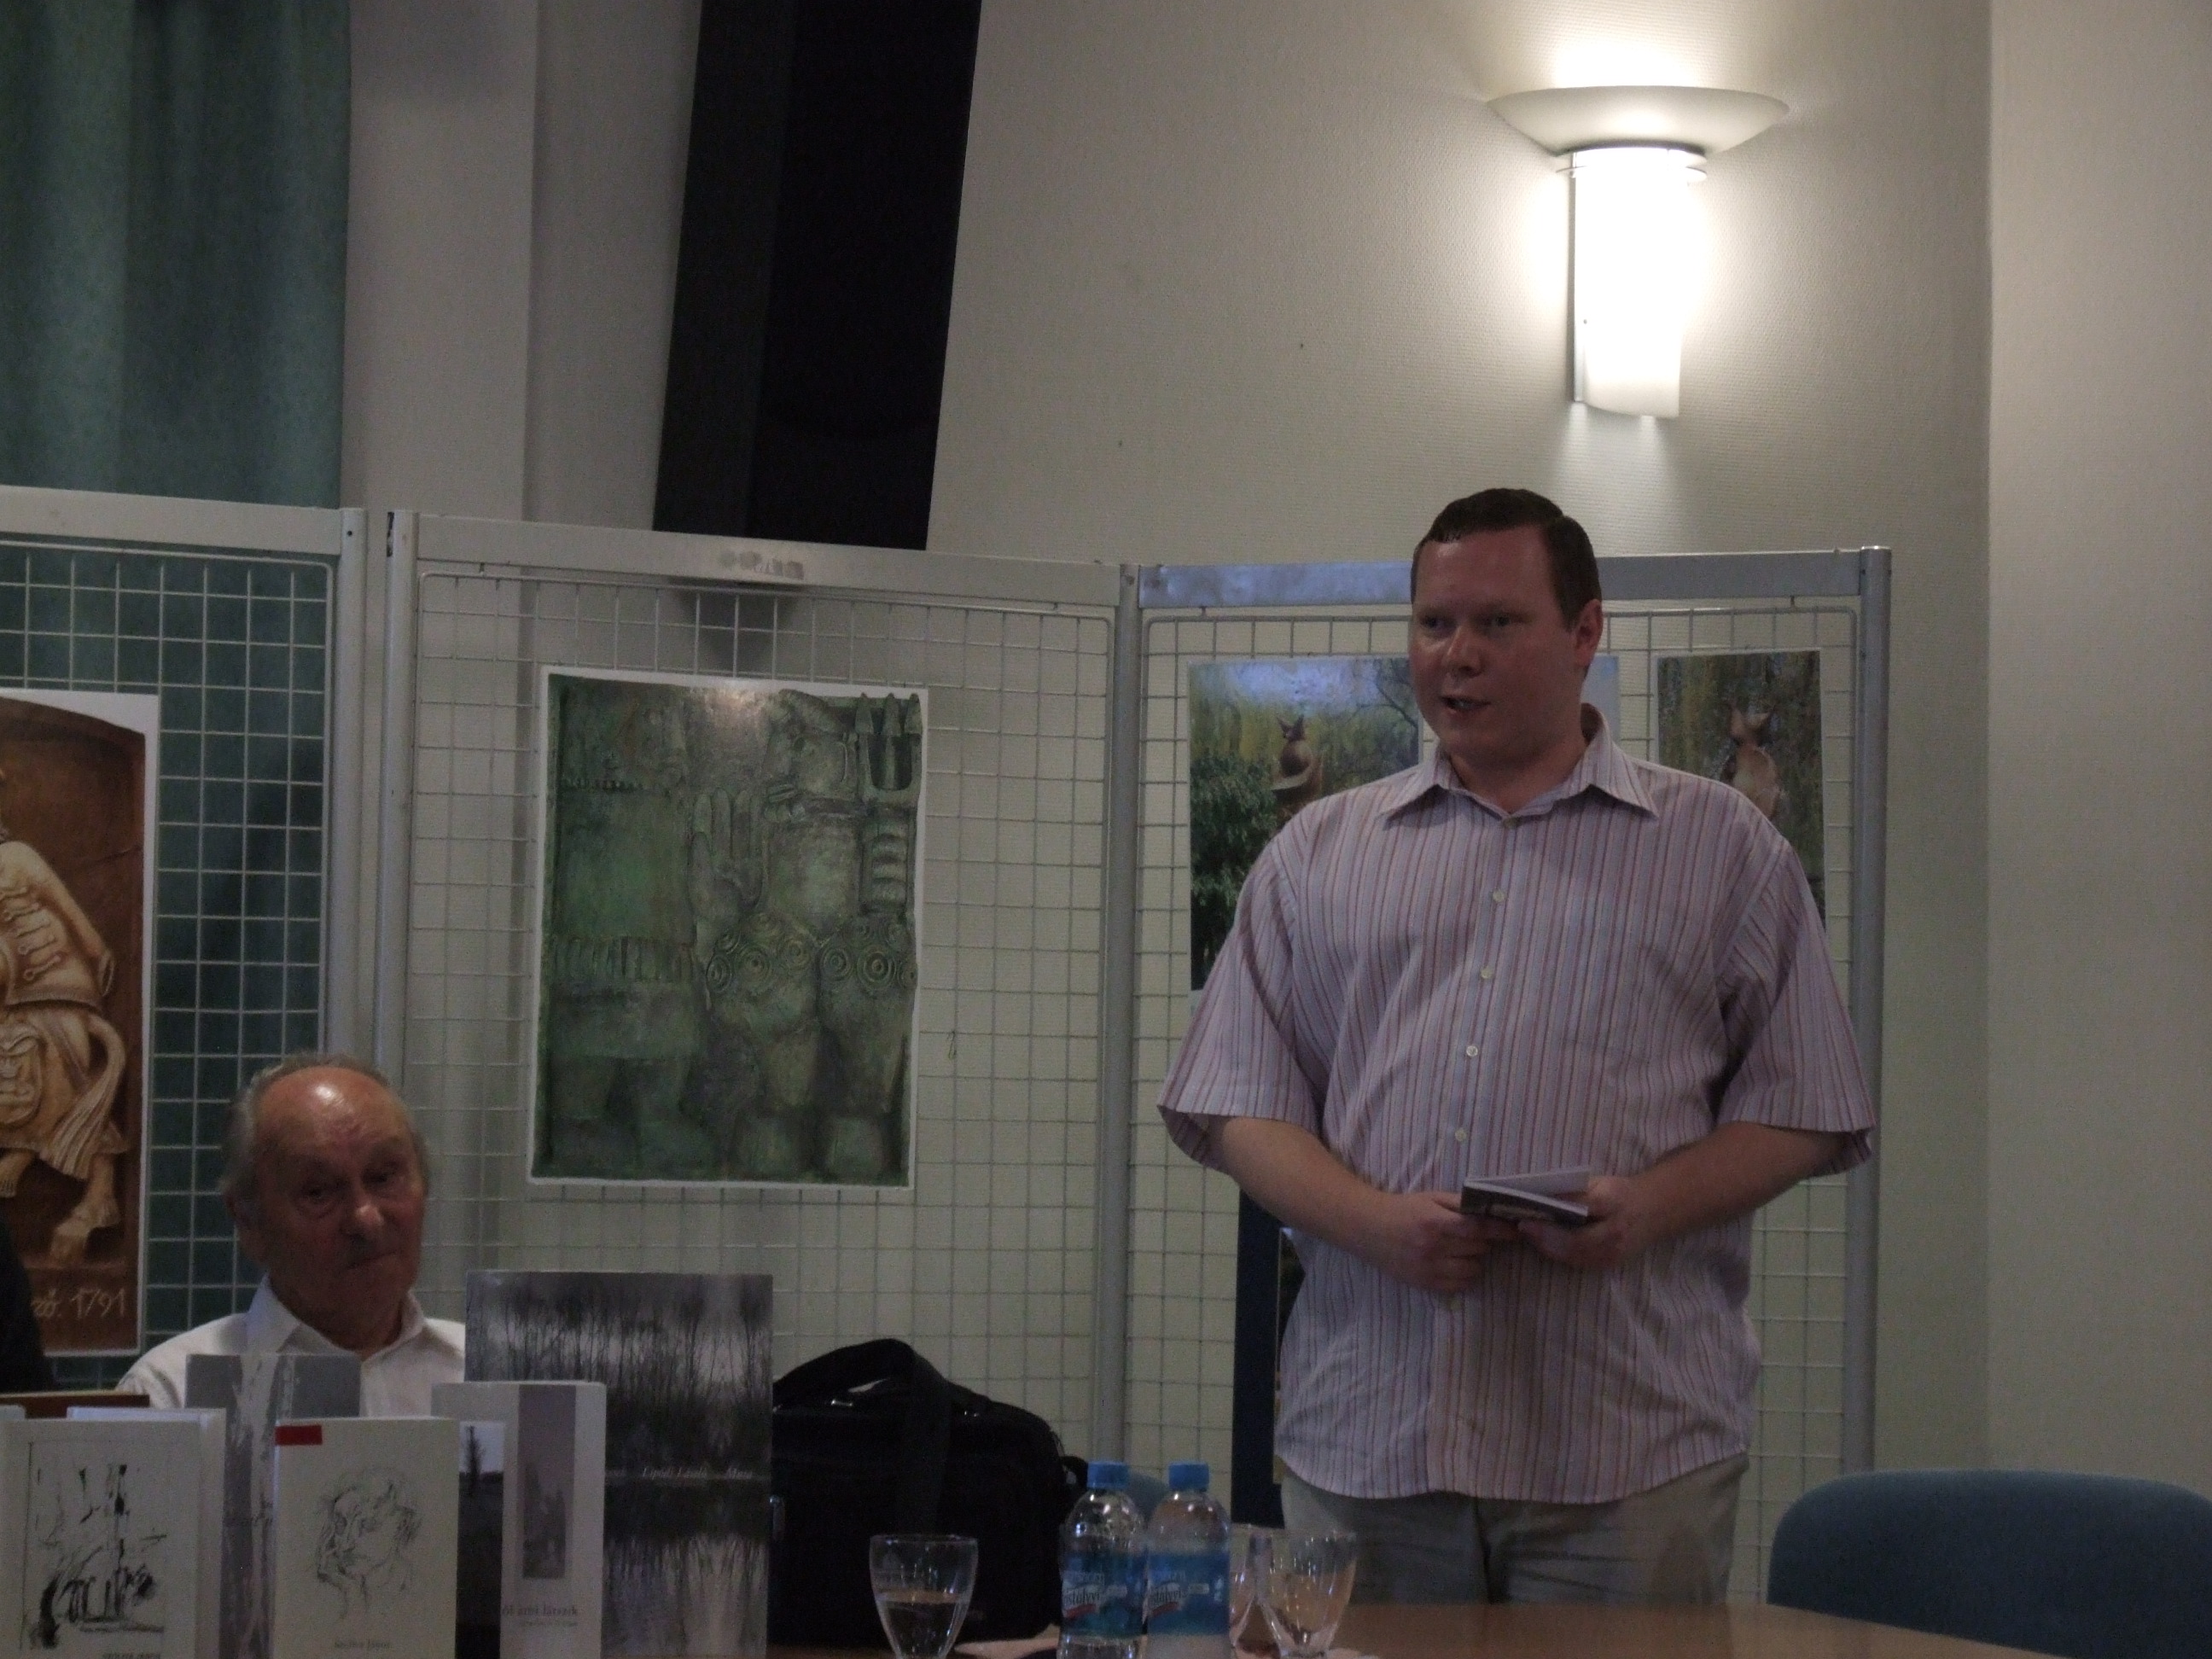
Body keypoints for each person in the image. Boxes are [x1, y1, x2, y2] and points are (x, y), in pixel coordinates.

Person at [1158, 487, 1874, 1605]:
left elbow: (1806, 1107)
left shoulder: (1723, 849)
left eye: (1498, 622)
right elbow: (1236, 1102)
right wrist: (1377, 1227)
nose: (1459, 655)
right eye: (1435, 623)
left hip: (1625, 1452)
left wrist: (1647, 1210)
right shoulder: (1318, 854)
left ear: (1585, 632)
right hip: (1370, 1445)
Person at [119, 1052, 462, 1414]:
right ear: (248, 1220)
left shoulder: (480, 1376)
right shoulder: (173, 1395)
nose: (366, 1219)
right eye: (319, 1192)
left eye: (383, 1177)